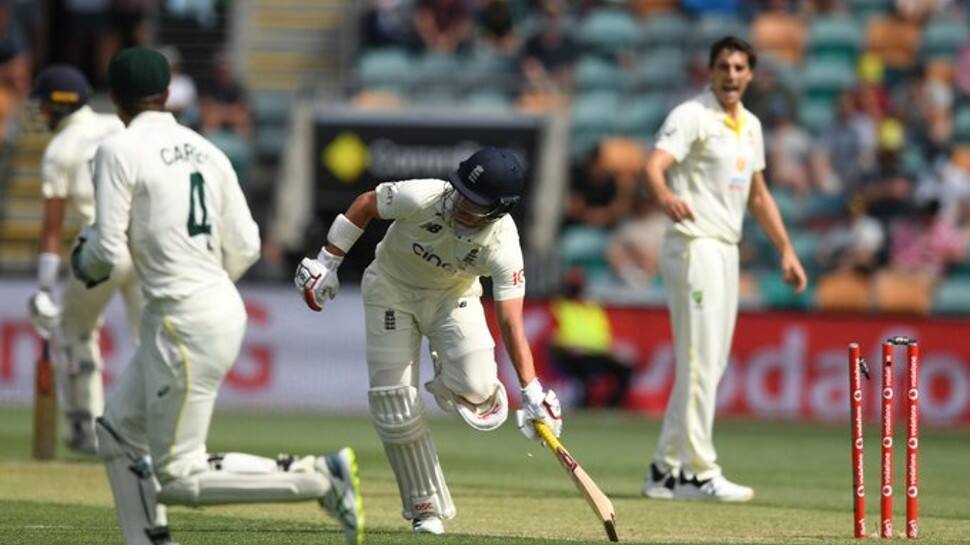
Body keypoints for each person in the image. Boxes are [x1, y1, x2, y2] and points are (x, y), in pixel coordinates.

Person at [72, 47, 363, 545]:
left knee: (179, 477)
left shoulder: (116, 151)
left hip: (182, 321)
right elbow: (247, 245)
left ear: (114, 98)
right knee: (118, 433)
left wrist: (83, 262)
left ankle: (318, 476)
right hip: (215, 306)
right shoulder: (209, 149)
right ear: (167, 95)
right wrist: (204, 284)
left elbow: (103, 250)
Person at [294, 147, 562, 535]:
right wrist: (326, 262)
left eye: (475, 203)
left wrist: (531, 389)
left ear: (498, 210)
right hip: (391, 289)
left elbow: (510, 321)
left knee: (482, 396)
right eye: (461, 192)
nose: (460, 204)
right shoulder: (426, 195)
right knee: (393, 403)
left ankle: (447, 374)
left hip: (453, 298)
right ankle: (425, 508)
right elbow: (367, 203)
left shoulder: (503, 246)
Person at [642, 36, 807, 502]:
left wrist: (787, 250)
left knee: (709, 365)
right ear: (710, 72)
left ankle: (664, 469)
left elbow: (758, 195)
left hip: (726, 250)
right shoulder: (691, 115)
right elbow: (654, 166)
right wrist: (665, 196)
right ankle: (697, 472)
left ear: (750, 74)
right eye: (722, 67)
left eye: (739, 67)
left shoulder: (750, 126)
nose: (731, 75)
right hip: (694, 246)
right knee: (698, 362)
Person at [26, 64, 137, 455]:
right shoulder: (119, 125)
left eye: (43, 103)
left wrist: (43, 289)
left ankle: (87, 428)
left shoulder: (60, 148)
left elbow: (52, 227)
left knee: (75, 328)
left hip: (100, 248)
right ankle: (153, 429)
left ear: (58, 104)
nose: (39, 111)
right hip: (146, 244)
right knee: (150, 340)